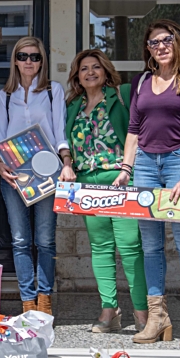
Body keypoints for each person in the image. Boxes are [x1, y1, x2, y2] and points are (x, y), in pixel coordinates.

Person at [113, 19, 180, 349]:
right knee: (151, 245)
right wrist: (126, 168)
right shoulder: (141, 81)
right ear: (148, 49)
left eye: (167, 39)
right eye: (154, 42)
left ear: (178, 41)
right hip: (144, 164)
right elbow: (133, 130)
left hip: (179, 162)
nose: (161, 46)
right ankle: (157, 319)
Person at [61, 49, 148, 334]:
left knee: (130, 246)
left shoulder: (121, 95)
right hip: (87, 183)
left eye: (95, 67)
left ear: (105, 70)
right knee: (100, 248)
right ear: (77, 76)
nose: (90, 72)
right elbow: (64, 141)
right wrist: (67, 162)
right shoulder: (72, 106)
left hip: (121, 180)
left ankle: (142, 311)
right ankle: (109, 310)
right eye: (84, 68)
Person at [0, 36, 70, 316]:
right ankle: (27, 301)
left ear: (42, 61)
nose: (28, 62)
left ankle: (44, 299)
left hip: (47, 173)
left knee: (45, 240)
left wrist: (67, 163)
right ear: (15, 60)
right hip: (14, 174)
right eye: (23, 56)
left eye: (35, 57)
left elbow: (60, 132)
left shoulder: (53, 91)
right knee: (20, 240)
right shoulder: (4, 96)